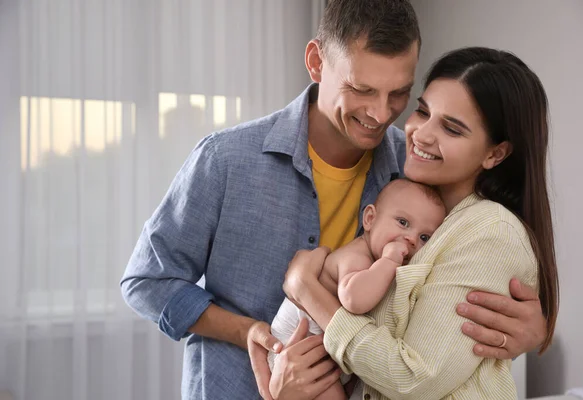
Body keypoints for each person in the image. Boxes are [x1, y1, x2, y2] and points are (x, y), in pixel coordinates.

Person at [120, 1, 548, 399]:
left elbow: (454, 291)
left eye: (399, 94)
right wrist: (249, 332)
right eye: (362, 89)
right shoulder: (226, 160)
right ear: (316, 63)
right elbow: (147, 282)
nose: (382, 114)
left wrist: (529, 333)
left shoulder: (417, 169)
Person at [281, 46, 559, 399]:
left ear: (495, 153)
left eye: (452, 129)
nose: (420, 134)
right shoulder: (413, 204)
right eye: (423, 111)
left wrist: (305, 287)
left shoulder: (490, 232)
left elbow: (415, 379)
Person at [268, 179, 446, 399]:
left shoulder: (374, 260)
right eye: (403, 222)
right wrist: (389, 262)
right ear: (370, 219)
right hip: (296, 342)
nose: (411, 239)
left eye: (424, 237)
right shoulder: (357, 257)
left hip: (321, 348)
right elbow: (354, 300)